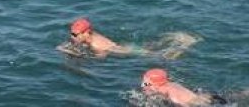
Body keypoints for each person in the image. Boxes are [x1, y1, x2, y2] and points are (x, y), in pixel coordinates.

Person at [58, 18, 201, 59]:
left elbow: (101, 57)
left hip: (123, 50)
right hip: (125, 45)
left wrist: (76, 54)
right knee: (152, 46)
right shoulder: (90, 36)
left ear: (86, 33)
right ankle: (177, 38)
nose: (72, 37)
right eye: (72, 33)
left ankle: (185, 44)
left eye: (75, 35)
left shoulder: (97, 44)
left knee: (161, 56)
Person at [141, 69, 228, 106]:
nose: (144, 83)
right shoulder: (171, 83)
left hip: (196, 104)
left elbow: (178, 101)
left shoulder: (167, 90)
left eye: (146, 82)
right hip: (203, 97)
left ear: (155, 83)